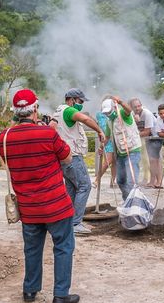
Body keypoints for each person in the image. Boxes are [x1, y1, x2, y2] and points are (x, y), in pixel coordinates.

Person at [0, 89, 79, 303]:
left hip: (29, 208)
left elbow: (9, 165)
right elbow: (68, 158)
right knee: (63, 247)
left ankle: (30, 290)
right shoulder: (48, 134)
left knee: (32, 249)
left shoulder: (4, 138)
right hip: (57, 206)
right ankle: (60, 296)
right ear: (34, 109)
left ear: (16, 112)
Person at [53, 88, 106, 234]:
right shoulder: (68, 111)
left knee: (71, 189)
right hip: (73, 156)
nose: (81, 105)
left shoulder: (57, 113)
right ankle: (76, 223)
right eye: (80, 101)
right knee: (85, 186)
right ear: (71, 99)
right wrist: (99, 131)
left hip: (64, 157)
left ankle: (68, 222)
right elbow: (86, 119)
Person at [101, 96, 142, 201]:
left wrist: (120, 101)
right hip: (120, 154)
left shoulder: (123, 114)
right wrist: (101, 146)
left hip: (132, 151)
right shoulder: (109, 122)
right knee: (121, 181)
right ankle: (127, 201)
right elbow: (107, 137)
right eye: (105, 113)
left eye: (109, 111)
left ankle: (135, 205)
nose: (108, 114)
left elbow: (129, 110)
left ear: (114, 108)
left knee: (131, 181)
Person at [130, 98, 162, 188]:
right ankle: (152, 181)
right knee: (152, 160)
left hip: (155, 137)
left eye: (139, 106)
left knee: (154, 160)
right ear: (132, 108)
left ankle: (158, 181)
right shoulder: (133, 114)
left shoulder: (146, 113)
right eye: (135, 107)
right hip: (148, 139)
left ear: (141, 105)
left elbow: (147, 131)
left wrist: (134, 135)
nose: (137, 108)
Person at [94, 111, 116, 188]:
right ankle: (97, 180)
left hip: (115, 139)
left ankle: (112, 182)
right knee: (107, 161)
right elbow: (100, 127)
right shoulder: (100, 115)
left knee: (115, 162)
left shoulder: (114, 114)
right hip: (107, 139)